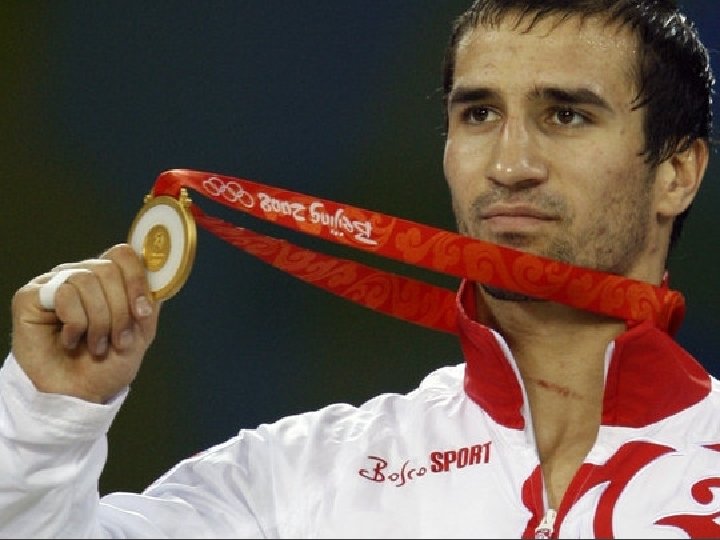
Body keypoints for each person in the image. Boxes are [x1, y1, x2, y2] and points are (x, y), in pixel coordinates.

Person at [1, 0, 716, 537]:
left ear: (677, 172)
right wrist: (44, 422)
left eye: (566, 116)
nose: (509, 165)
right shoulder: (294, 483)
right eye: (478, 115)